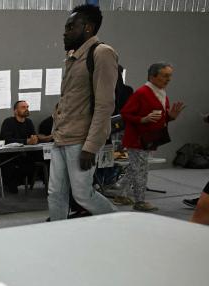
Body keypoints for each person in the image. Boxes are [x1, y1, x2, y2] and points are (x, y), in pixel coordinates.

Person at [47, 4, 117, 221]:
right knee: (55, 193)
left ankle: (118, 224)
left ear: (88, 28)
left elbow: (105, 105)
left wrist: (91, 146)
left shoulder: (102, 53)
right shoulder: (72, 58)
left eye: (70, 27)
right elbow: (68, 100)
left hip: (80, 140)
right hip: (61, 138)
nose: (65, 32)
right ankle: (57, 234)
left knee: (82, 195)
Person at [113, 63, 185, 212]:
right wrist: (142, 119)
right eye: (165, 76)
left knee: (135, 168)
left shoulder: (161, 93)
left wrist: (170, 117)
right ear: (153, 77)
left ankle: (120, 193)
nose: (169, 79)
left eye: (170, 76)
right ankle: (140, 201)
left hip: (150, 139)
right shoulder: (142, 93)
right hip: (138, 139)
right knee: (141, 170)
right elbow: (125, 113)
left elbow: (161, 117)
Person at [0, 100, 50, 193]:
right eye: (23, 107)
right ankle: (10, 184)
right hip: (10, 155)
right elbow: (6, 140)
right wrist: (26, 141)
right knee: (11, 164)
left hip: (25, 154)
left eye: (27, 107)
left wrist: (35, 139)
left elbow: (33, 136)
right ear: (15, 111)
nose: (26, 109)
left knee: (39, 160)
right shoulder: (8, 122)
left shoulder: (29, 122)